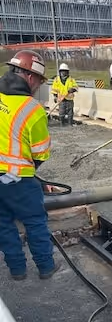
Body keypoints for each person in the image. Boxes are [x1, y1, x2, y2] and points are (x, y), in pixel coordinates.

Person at [0, 50, 58, 281]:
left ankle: (17, 270)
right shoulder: (32, 109)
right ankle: (46, 267)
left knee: (3, 224)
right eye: (39, 81)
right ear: (30, 76)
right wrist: (32, 174)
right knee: (35, 221)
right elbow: (40, 152)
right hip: (18, 178)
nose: (38, 86)